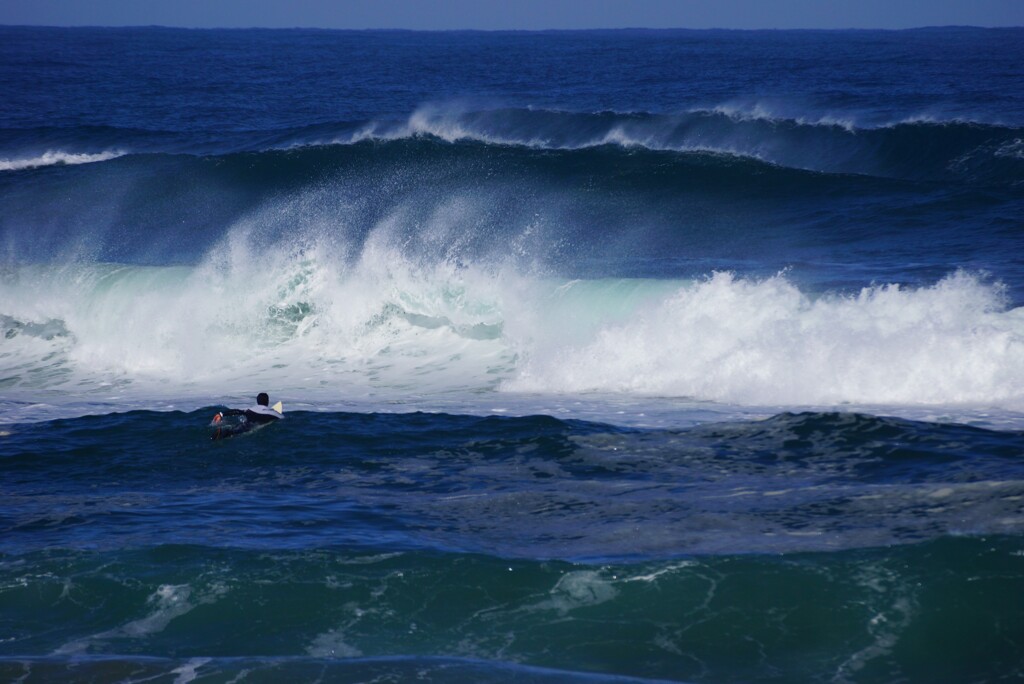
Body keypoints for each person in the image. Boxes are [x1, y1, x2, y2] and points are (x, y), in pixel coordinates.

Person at [211, 392, 283, 440]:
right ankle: (223, 435)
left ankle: (221, 433)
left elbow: (237, 411)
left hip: (246, 423)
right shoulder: (274, 414)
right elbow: (283, 418)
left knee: (235, 429)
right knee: (239, 431)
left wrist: (221, 414)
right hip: (255, 426)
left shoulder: (250, 409)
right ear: (267, 401)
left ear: (257, 401)